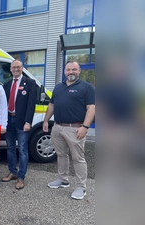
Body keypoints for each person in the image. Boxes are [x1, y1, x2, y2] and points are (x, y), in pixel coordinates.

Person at [43, 60, 95, 200]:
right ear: (64, 71)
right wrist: (46, 120)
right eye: (68, 69)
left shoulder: (87, 87)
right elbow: (51, 105)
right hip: (58, 127)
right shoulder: (58, 87)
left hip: (76, 128)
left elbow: (92, 108)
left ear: (79, 71)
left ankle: (81, 187)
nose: (70, 72)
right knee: (61, 155)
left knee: (78, 158)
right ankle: (63, 180)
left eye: (74, 69)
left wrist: (85, 127)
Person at [1, 60, 37, 190]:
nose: (16, 69)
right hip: (8, 120)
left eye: (18, 67)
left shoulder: (30, 83)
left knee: (22, 149)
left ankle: (21, 177)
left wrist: (28, 121)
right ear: (10, 70)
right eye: (13, 67)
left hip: (22, 122)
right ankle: (13, 172)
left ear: (22, 68)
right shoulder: (7, 84)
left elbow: (31, 105)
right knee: (10, 148)